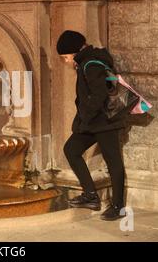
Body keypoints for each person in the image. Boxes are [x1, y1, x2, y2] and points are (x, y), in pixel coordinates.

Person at [57, 30, 127, 221]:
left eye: (65, 57)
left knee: (113, 162)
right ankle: (91, 195)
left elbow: (99, 95)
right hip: (93, 123)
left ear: (74, 51)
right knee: (71, 149)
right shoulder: (85, 63)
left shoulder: (90, 65)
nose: (65, 61)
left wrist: (85, 116)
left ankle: (118, 206)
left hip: (104, 122)